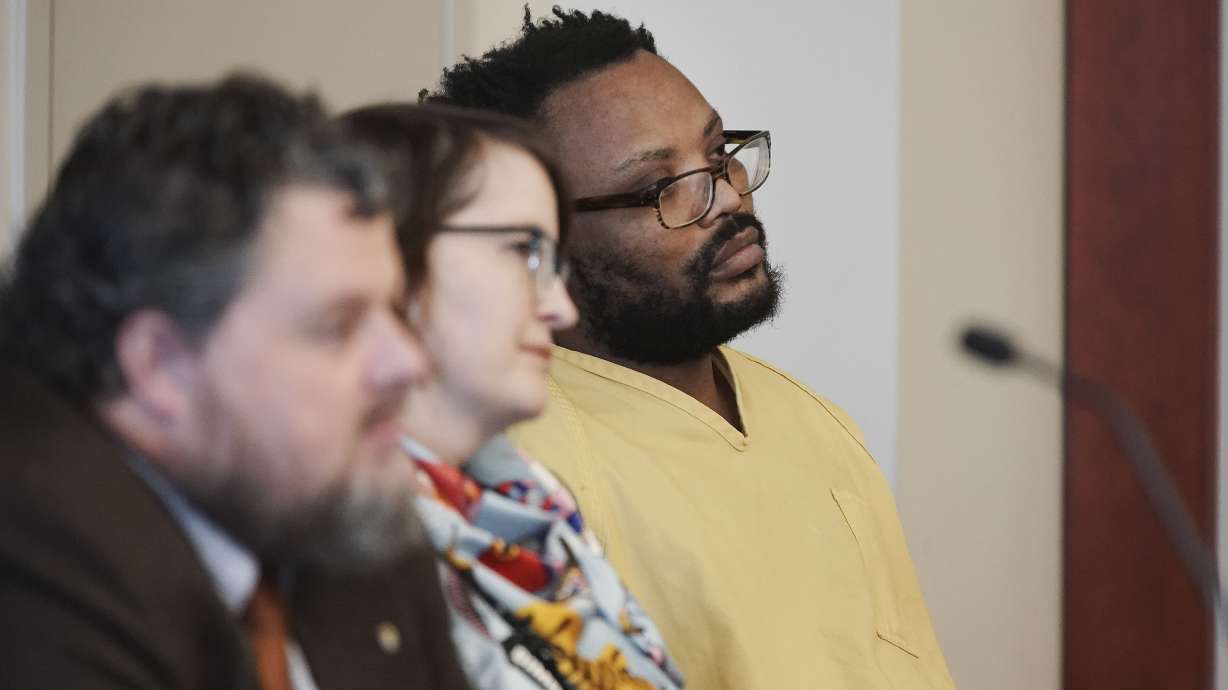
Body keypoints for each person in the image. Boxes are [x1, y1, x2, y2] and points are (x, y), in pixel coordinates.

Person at [424, 8, 958, 689]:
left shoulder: (815, 420)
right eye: (661, 187)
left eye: (716, 154)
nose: (728, 198)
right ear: (543, 240)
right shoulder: (522, 468)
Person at [0, 75, 470, 690]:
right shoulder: (36, 561)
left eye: (395, 310)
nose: (408, 361)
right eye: (340, 325)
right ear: (160, 366)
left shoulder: (333, 498)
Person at [340, 102, 686, 690]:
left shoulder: (531, 510)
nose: (559, 308)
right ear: (386, 255)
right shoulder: (328, 543)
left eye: (554, 262)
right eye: (523, 251)